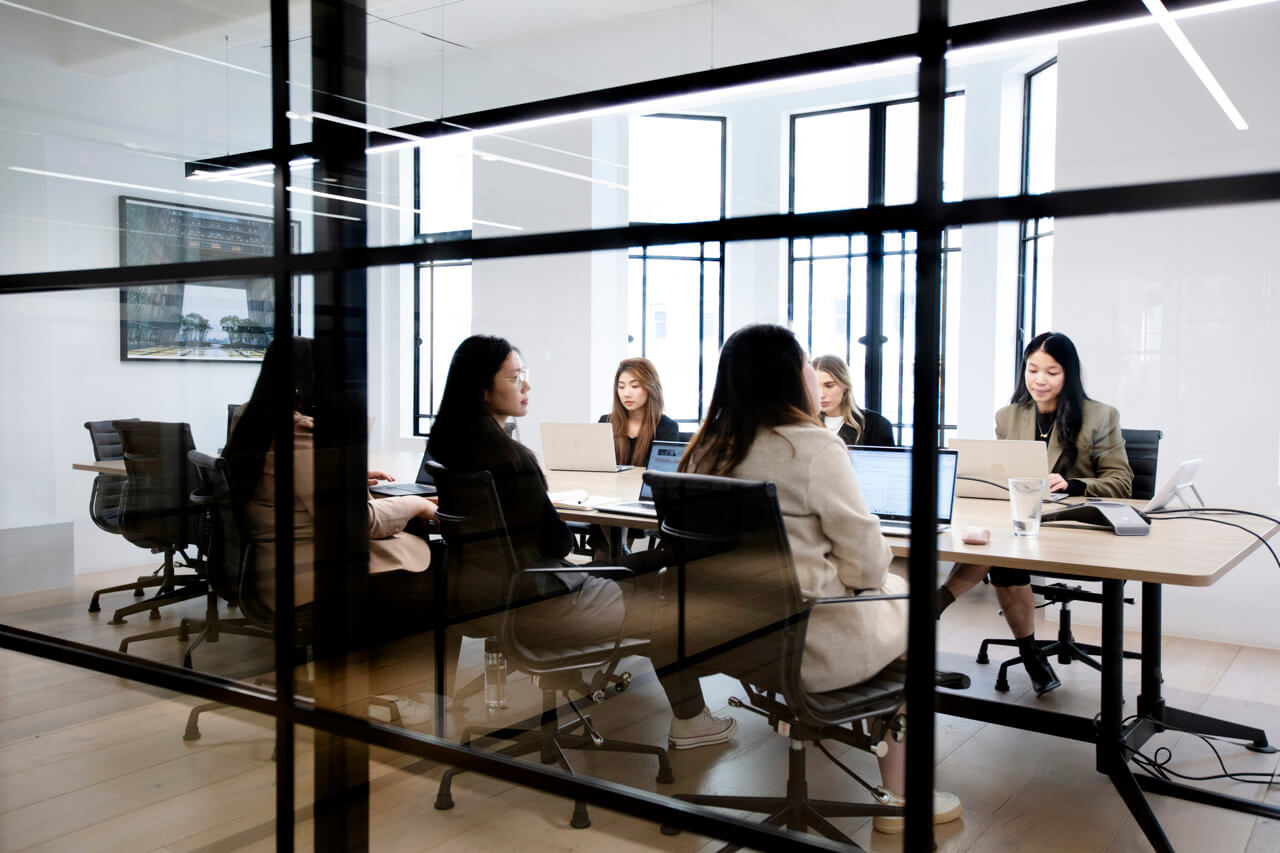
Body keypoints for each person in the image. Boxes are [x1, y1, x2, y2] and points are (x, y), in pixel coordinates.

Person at [680, 324, 961, 833]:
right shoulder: (812, 447)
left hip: (729, 640)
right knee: (912, 605)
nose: (815, 373)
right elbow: (867, 565)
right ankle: (899, 799)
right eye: (808, 363)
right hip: (808, 645)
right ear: (790, 375)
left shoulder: (704, 449)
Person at [427, 334, 737, 750]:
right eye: (516, 376)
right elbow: (556, 541)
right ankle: (692, 722)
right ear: (484, 387)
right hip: (540, 606)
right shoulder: (510, 459)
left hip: (479, 596)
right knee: (663, 606)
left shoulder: (447, 447)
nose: (527, 385)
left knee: (643, 568)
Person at [936, 331, 1133, 696]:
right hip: (1020, 523)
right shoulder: (1009, 416)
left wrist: (1073, 484)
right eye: (1032, 370)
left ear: (1068, 374)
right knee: (1003, 552)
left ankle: (939, 602)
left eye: (1052, 372)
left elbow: (1121, 481)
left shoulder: (1100, 416)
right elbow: (1000, 473)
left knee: (1003, 552)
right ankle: (1031, 655)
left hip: (1071, 527)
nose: (1039, 380)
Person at [226, 337, 438, 643]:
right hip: (308, 576)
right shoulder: (298, 430)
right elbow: (357, 522)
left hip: (267, 565)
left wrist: (347, 476)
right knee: (438, 566)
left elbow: (277, 479)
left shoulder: (252, 418)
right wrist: (417, 505)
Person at [598, 357, 680, 465]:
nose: (626, 393)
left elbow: (662, 473)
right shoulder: (606, 422)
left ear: (650, 388)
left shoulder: (667, 427)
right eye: (621, 387)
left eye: (634, 386)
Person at [812, 354, 896, 446]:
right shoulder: (803, 425)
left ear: (845, 385)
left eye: (829, 385)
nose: (821, 394)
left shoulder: (876, 426)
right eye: (815, 386)